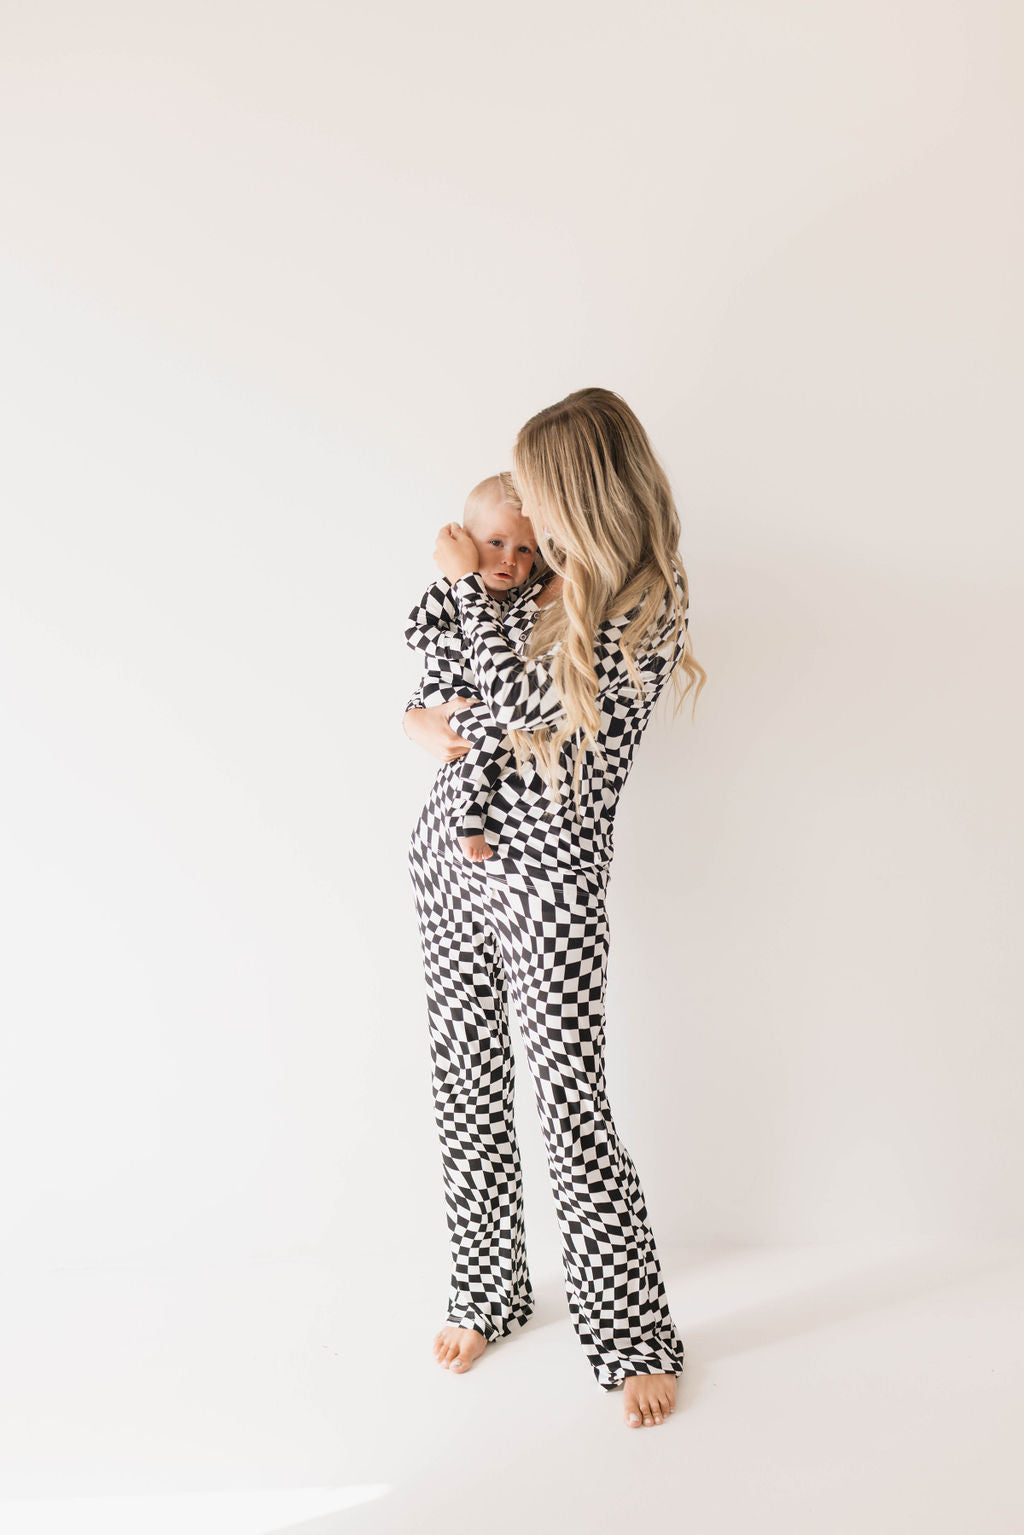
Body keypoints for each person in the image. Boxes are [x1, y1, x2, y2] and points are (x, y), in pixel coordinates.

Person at [402, 387, 706, 1430]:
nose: (518, 513)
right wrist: (417, 716)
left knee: (570, 1105)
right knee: (465, 1079)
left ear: (577, 490)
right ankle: (487, 1288)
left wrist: (466, 594)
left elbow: (524, 703)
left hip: (550, 887)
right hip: (450, 856)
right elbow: (452, 686)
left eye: (533, 488)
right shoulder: (522, 583)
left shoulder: (645, 607)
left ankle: (626, 1331)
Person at [404, 472, 545, 862]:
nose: (509, 559)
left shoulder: (518, 598)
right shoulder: (449, 588)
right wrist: (467, 646)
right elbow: (416, 631)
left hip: (484, 699)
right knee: (495, 735)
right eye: (496, 543)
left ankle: (469, 807)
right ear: (466, 540)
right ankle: (467, 813)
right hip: (448, 693)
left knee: (500, 734)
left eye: (525, 550)